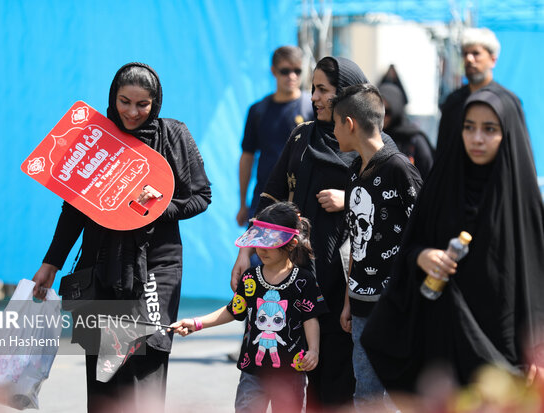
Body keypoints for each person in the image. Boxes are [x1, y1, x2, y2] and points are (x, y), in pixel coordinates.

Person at [31, 62, 211, 412]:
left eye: (142, 104)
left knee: (148, 353)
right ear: (113, 97)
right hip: (101, 266)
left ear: (155, 103)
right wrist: (50, 264)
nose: (132, 112)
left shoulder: (173, 135)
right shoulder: (96, 140)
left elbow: (201, 196)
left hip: (157, 267)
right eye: (124, 101)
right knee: (103, 366)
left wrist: (158, 205)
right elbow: (73, 211)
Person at [231, 56, 396, 408]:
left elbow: (393, 204)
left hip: (347, 282)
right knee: (293, 376)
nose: (315, 97)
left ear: (346, 95)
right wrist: (245, 252)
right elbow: (270, 198)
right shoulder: (303, 135)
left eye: (323, 89)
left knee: (339, 376)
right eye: (313, 88)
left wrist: (349, 197)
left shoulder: (373, 145)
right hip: (300, 279)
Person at [360, 87, 544, 398]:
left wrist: (537, 349)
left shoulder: (521, 203)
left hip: (503, 345)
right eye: (469, 127)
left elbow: (538, 280)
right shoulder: (443, 186)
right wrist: (422, 256)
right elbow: (411, 244)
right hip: (444, 340)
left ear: (508, 133)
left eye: (490, 129)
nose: (477, 139)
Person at [171, 202, 327, 413]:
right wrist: (196, 323)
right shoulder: (250, 278)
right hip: (252, 373)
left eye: (269, 242)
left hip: (290, 374)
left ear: (291, 244)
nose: (261, 248)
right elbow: (233, 310)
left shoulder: (304, 281)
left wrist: (314, 351)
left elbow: (311, 318)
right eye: (258, 240)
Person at [332, 83, 422, 409]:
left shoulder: (400, 169)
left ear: (350, 124)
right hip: (360, 305)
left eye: (335, 123)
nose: (333, 131)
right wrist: (347, 301)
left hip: (396, 306)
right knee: (365, 396)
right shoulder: (354, 173)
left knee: (401, 396)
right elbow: (357, 242)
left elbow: (424, 236)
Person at [237, 45, 314, 227]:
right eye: (285, 71)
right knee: (258, 252)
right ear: (274, 71)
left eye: (297, 70)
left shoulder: (311, 109)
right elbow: (247, 157)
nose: (292, 76)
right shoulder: (258, 111)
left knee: (297, 253)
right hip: (266, 197)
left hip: (301, 198)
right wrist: (242, 204)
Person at [436, 27, 523, 157]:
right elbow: (442, 151)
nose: (469, 59)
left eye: (476, 53)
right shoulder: (453, 101)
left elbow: (517, 155)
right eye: (465, 54)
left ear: (493, 60)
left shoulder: (507, 102)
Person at [379, 82, 434, 178]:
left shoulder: (414, 139)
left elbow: (429, 175)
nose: (382, 117)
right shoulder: (373, 137)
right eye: (378, 112)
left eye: (387, 112)